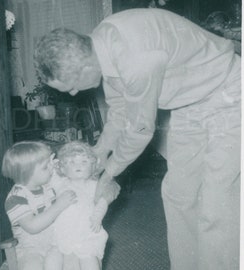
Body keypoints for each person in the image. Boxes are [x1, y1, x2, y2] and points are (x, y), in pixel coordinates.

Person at [33, 8, 241, 270]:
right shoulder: (101, 44)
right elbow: (120, 109)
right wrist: (101, 150)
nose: (74, 93)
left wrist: (109, 172)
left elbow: (140, 129)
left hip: (230, 94)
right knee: (179, 193)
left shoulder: (135, 58)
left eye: (72, 86)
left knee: (217, 202)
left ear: (86, 67)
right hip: (190, 103)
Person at [2, 141, 77, 270]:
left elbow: (65, 183)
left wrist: (56, 168)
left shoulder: (47, 185)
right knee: (33, 265)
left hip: (55, 242)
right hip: (30, 249)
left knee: (73, 260)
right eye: (45, 167)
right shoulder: (16, 198)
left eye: (50, 164)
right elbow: (32, 226)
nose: (51, 168)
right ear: (27, 173)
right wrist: (58, 205)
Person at [51, 141, 109, 270]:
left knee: (91, 263)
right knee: (69, 265)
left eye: (84, 162)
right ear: (62, 168)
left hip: (88, 232)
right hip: (66, 233)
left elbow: (104, 200)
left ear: (94, 166)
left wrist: (98, 215)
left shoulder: (94, 185)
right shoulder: (60, 183)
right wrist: (53, 164)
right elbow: (50, 172)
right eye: (71, 162)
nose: (78, 166)